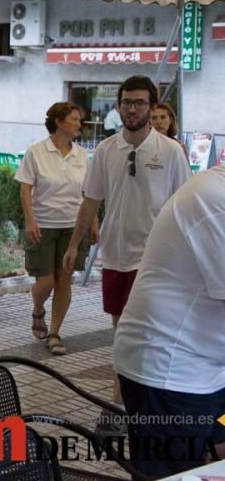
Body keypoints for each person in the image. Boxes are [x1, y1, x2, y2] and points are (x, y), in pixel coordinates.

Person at [61, 75, 190, 437]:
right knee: (122, 334)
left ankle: (132, 408)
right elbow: (91, 201)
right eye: (127, 102)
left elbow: (184, 204)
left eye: (140, 102)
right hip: (115, 256)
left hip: (156, 259)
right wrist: (74, 245)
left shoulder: (170, 152)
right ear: (118, 106)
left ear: (152, 107)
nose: (132, 108)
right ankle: (123, 406)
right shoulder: (105, 150)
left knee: (147, 335)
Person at [113, 163, 225, 478]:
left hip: (210, 369)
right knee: (177, 473)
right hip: (170, 371)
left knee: (218, 451)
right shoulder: (214, 200)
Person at [14, 102, 98, 355]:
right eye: (74, 119)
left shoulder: (82, 155)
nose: (78, 124)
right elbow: (25, 187)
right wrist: (30, 220)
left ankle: (54, 332)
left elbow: (89, 192)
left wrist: (93, 222)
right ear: (59, 122)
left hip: (73, 227)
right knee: (46, 281)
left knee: (64, 280)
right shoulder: (36, 152)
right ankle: (38, 308)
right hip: (43, 225)